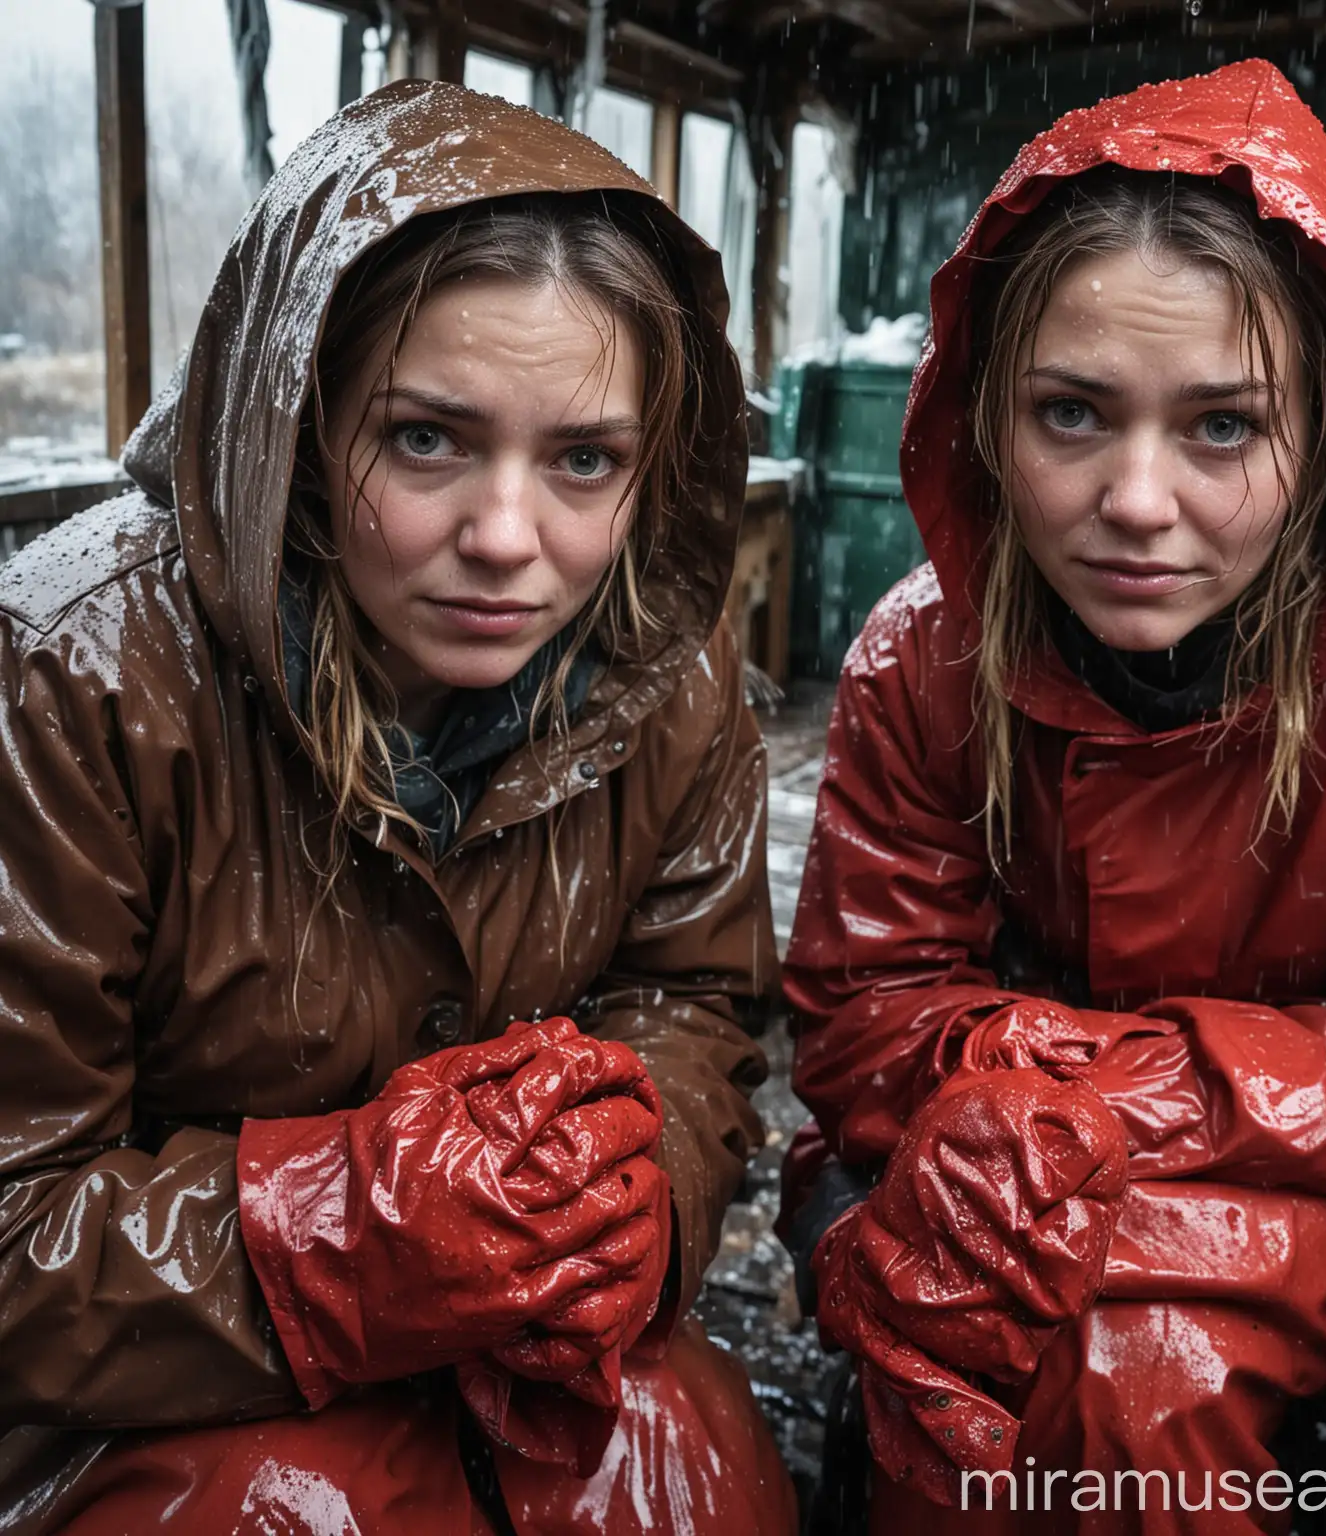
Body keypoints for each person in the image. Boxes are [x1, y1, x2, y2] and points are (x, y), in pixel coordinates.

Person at [0, 80, 795, 1536]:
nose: (507, 542)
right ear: (297, 425)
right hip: (134, 1403)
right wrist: (342, 1235)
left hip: (505, 1339)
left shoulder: (663, 665)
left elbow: (695, 999)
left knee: (693, 1475)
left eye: (583, 460)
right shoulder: (70, 675)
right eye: (427, 439)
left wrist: (641, 1187)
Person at [781, 57, 1326, 1533]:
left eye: (1222, 428)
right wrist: (1012, 1158)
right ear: (986, 420)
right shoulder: (919, 657)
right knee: (962, 1307)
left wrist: (1100, 1107)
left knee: (1134, 1365)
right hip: (984, 1157)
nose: (1136, 501)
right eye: (1074, 415)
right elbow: (866, 1015)